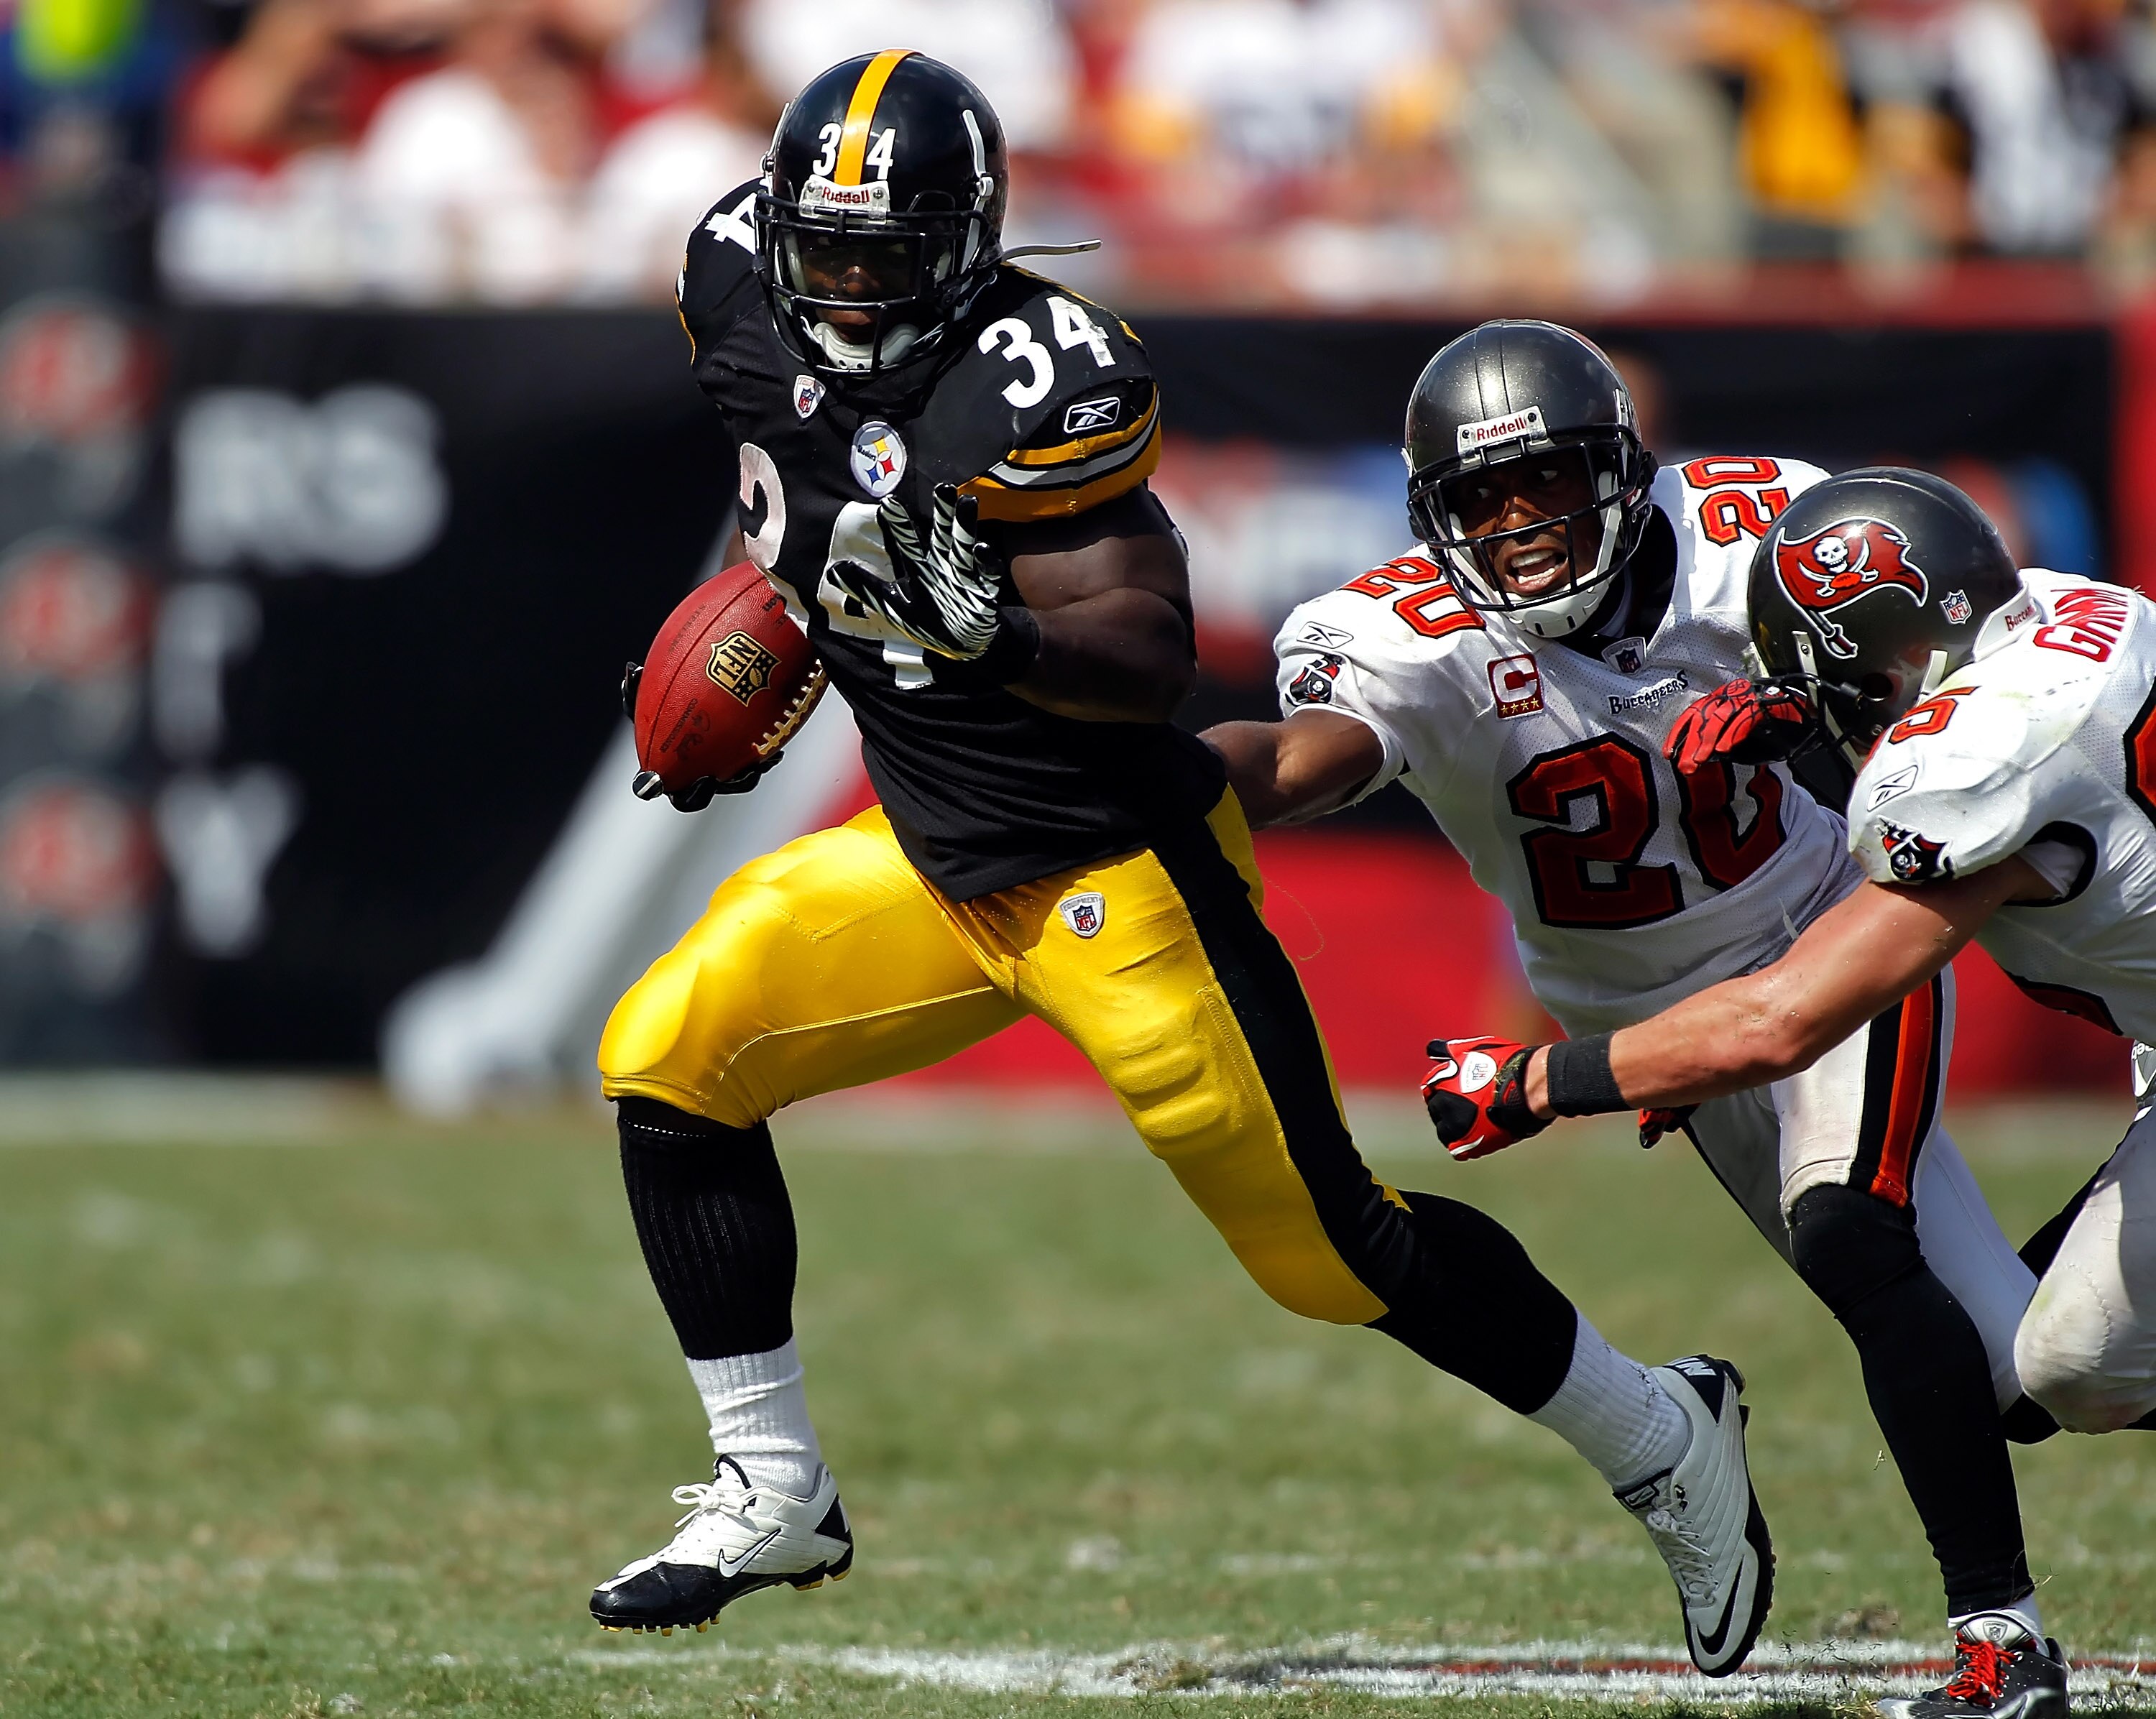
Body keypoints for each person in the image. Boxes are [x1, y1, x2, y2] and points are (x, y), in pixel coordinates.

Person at [584, 54, 1774, 1674]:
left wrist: (988, 624)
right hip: (932, 859)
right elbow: (800, 485)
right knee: (668, 1056)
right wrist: (792, 613)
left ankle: (1660, 1426)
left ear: (969, 241)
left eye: (886, 255)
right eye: (828, 250)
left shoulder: (1040, 379)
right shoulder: (731, 270)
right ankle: (774, 1481)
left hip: (1116, 876)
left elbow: (1142, 650)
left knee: (1329, 1252)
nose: (849, 288)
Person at [1207, 322, 2053, 1713]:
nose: (1520, 526)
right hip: (1651, 1016)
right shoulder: (1400, 633)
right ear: (1432, 516)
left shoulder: (1758, 530)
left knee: (1853, 1231)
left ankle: (2001, 1643)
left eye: (1544, 484)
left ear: (1620, 470)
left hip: (1823, 925)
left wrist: (1793, 711)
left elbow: (1959, 664)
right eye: (1481, 499)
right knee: (2025, 1370)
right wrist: (1167, 783)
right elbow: (1297, 760)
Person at [1429, 465, 2156, 1718]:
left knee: (2067, 1363)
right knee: (2055, 1365)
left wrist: (1547, 1080)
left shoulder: (1960, 764)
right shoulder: (2085, 612)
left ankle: (2005, 1651)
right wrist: (1803, 707)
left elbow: (1785, 1019)